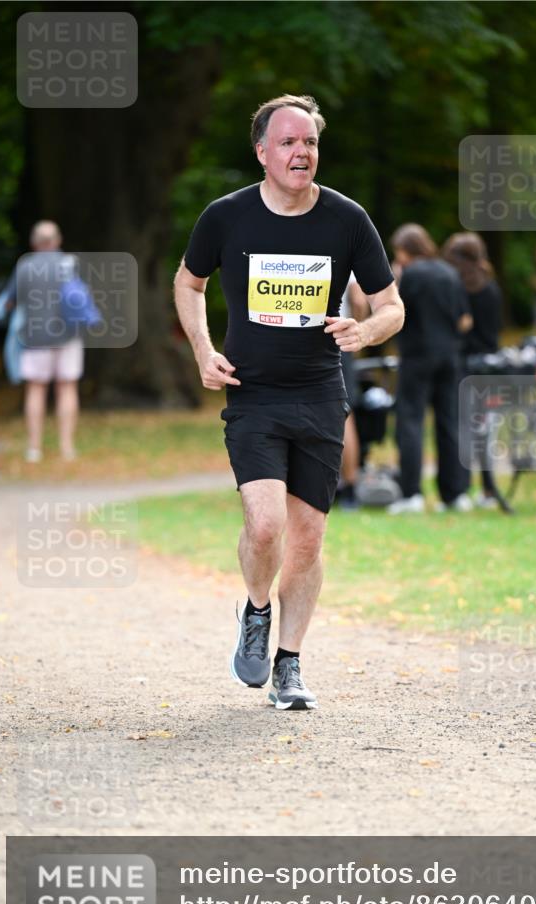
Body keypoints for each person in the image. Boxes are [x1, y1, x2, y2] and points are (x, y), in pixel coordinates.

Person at [173, 94, 404, 710]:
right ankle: (256, 610)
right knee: (266, 523)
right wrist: (203, 349)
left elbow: (391, 306)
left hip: (320, 394)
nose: (301, 152)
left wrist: (366, 331)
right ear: (262, 151)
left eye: (309, 142)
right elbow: (188, 282)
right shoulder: (226, 217)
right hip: (253, 393)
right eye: (288, 142)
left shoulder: (347, 219)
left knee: (306, 542)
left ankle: (290, 666)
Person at [387, 223, 473, 515]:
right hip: (449, 356)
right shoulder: (449, 272)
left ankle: (411, 493)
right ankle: (455, 493)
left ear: (405, 251)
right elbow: (465, 320)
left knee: (410, 422)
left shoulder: (411, 274)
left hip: (417, 355)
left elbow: (395, 312)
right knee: (449, 422)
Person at [0, 221, 83, 462]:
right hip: (68, 335)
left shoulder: (25, 267)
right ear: (57, 240)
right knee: (67, 388)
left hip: (34, 337)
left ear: (34, 242)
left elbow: (9, 302)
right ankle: (66, 448)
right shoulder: (69, 264)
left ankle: (34, 448)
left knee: (36, 389)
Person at [443, 232, 502, 509]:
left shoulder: (459, 287)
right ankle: (490, 489)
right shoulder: (490, 286)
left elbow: (461, 326)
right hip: (489, 364)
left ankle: (463, 487)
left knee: (462, 428)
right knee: (484, 430)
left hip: (465, 365)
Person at [335, 274, 369, 510]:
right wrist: (355, 330)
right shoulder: (342, 241)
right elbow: (358, 299)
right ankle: (350, 486)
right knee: (344, 414)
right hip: (338, 337)